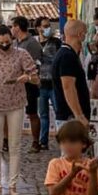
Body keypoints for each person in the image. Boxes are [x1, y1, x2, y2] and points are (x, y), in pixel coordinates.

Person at [0, 25, 40, 195]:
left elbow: (35, 77)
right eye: (1, 42)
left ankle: (13, 184)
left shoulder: (22, 54)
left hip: (16, 104)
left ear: (12, 39)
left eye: (7, 42)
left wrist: (26, 77)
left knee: (15, 145)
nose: (5, 45)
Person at [45, 120, 98, 195]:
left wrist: (93, 173)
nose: (67, 146)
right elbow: (53, 192)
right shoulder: (55, 164)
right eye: (63, 142)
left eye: (72, 142)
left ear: (83, 143)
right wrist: (72, 174)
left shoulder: (90, 166)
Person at [11, 16, 43, 154]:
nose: (12, 29)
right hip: (17, 83)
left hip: (29, 82)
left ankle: (36, 142)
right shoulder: (15, 43)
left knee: (32, 113)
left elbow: (35, 64)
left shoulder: (32, 43)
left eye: (13, 26)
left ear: (18, 27)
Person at [53, 19, 91, 127]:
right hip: (70, 118)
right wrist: (79, 115)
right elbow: (68, 87)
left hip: (71, 118)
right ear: (80, 35)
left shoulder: (69, 54)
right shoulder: (67, 56)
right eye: (85, 33)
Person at [37, 17, 62, 150]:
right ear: (38, 28)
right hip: (41, 84)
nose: (47, 28)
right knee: (43, 114)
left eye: (48, 26)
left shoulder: (56, 42)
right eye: (44, 26)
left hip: (53, 83)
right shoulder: (35, 44)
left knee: (59, 112)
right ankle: (43, 141)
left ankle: (61, 139)